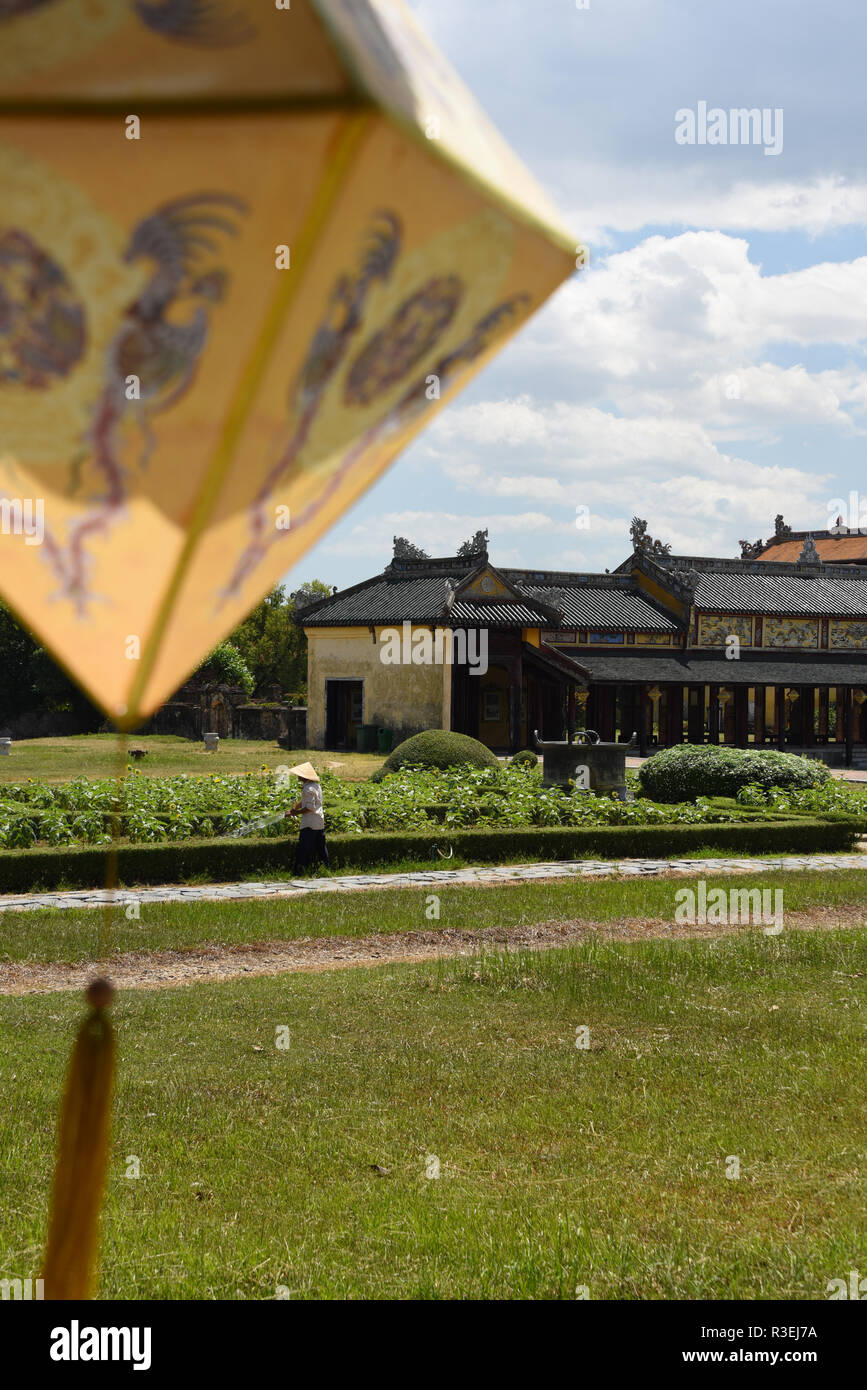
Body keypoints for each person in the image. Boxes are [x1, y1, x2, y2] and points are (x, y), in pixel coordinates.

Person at [284, 762, 329, 873]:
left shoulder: (307, 789)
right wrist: (296, 807)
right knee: (321, 847)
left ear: (304, 776)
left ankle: (300, 871)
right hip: (318, 821)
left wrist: (295, 813)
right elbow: (307, 801)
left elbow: (309, 807)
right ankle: (326, 868)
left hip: (309, 823)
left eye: (299, 775)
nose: (298, 776)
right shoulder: (315, 786)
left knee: (304, 848)